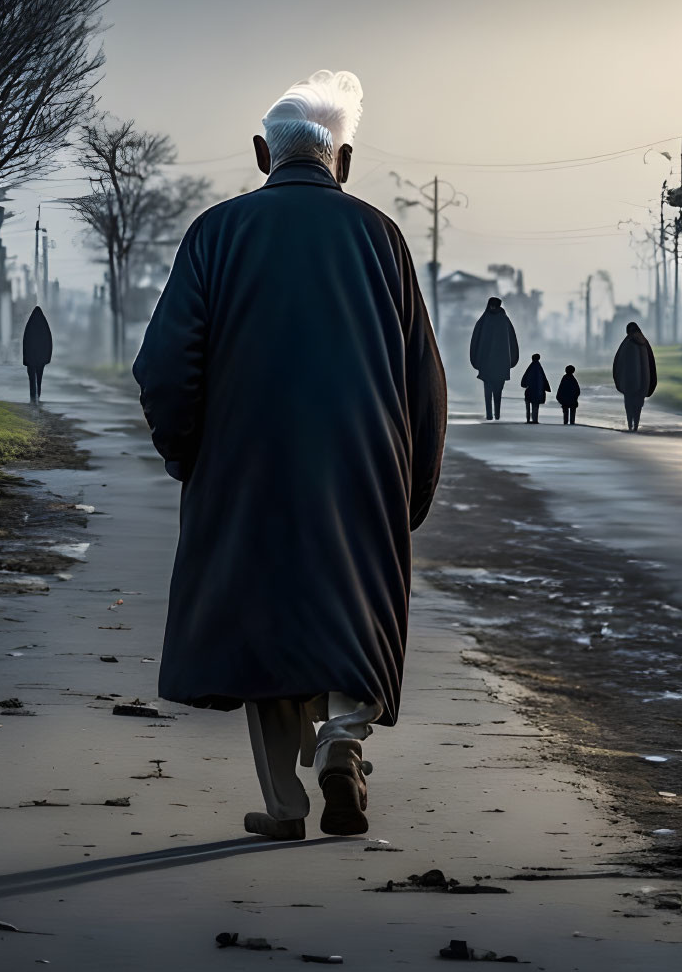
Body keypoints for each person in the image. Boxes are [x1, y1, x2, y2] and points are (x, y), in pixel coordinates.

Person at [133, 70, 447, 843]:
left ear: (259, 153)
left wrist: (188, 454)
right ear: (342, 159)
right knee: (354, 615)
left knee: (265, 625)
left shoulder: (216, 231)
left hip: (246, 465)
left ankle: (282, 806)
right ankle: (343, 739)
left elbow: (166, 366)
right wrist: (412, 482)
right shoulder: (381, 237)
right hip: (362, 463)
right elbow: (424, 379)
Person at [468, 295, 519, 420]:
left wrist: (511, 361)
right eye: (491, 305)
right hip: (490, 364)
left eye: (494, 306)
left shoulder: (497, 320)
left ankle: (496, 414)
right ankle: (490, 414)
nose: (493, 308)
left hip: (496, 365)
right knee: (489, 391)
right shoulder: (493, 320)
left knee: (497, 392)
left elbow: (511, 342)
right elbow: (476, 340)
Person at [612, 321, 658, 432]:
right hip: (643, 382)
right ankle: (636, 425)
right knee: (638, 406)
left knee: (629, 405)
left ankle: (630, 425)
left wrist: (619, 380)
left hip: (628, 383)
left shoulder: (627, 343)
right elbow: (651, 364)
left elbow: (618, 363)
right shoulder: (644, 343)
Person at [21, 306, 53, 404]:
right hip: (41, 359)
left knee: (32, 378)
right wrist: (47, 357)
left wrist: (25, 359)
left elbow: (25, 343)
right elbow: (49, 343)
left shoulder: (29, 326)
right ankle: (38, 395)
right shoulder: (44, 327)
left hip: (31, 358)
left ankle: (32, 396)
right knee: (39, 378)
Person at [520, 353, 550, 423]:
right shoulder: (539, 368)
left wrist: (524, 384)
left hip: (529, 390)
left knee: (528, 406)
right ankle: (535, 419)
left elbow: (525, 378)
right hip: (537, 391)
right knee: (535, 406)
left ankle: (528, 419)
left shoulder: (531, 367)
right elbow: (543, 379)